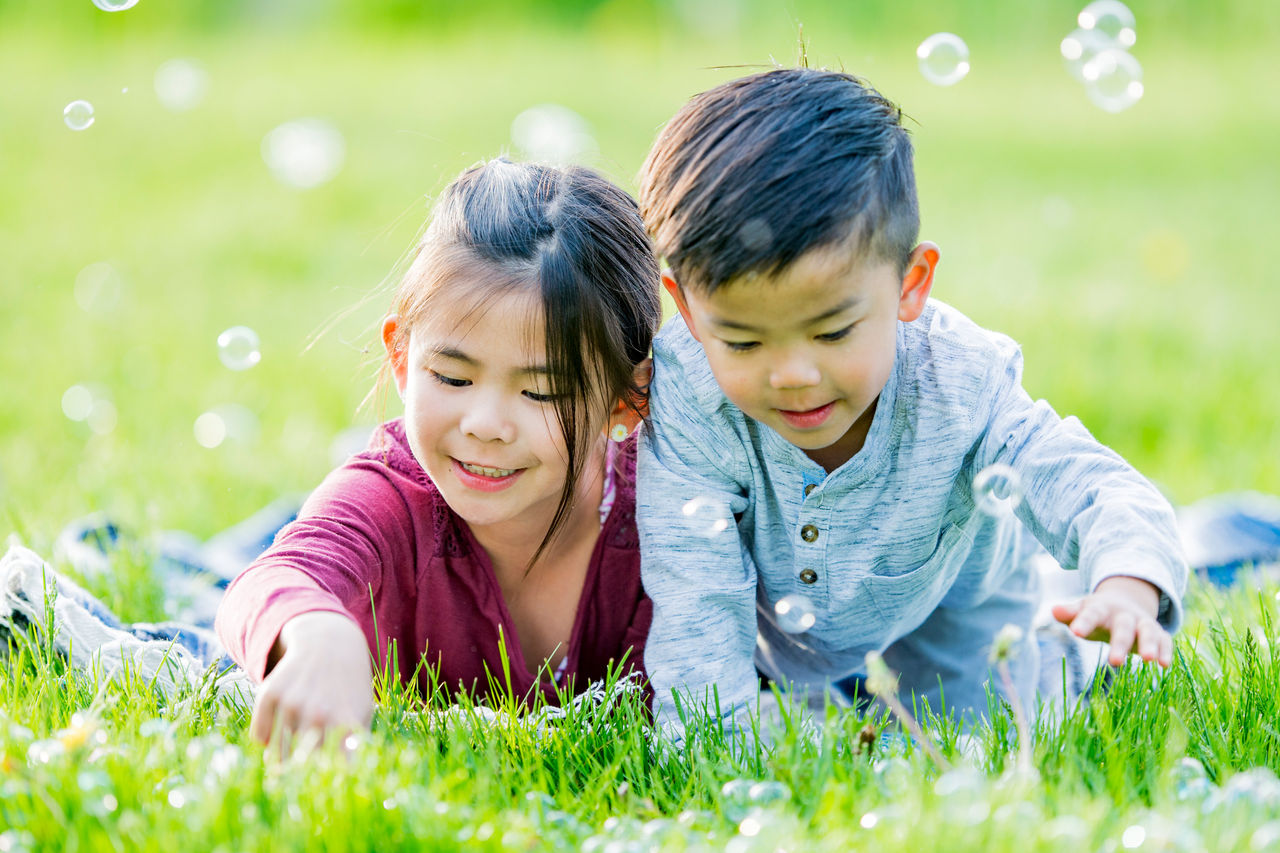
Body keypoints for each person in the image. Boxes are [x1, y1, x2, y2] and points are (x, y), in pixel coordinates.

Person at [634, 67, 1188, 732]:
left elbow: (1092, 485)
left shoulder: (960, 384)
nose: (793, 375)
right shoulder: (689, 397)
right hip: (780, 638)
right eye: (745, 342)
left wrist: (1128, 584)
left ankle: (1157, 577)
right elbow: (696, 598)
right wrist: (708, 749)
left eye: (833, 330)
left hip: (958, 610)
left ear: (909, 283)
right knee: (794, 727)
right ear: (689, 310)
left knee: (969, 732)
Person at [215, 158, 661, 746]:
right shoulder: (391, 497)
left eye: (542, 391)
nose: (485, 425)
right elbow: (278, 575)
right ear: (402, 360)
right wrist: (317, 630)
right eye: (452, 378)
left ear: (627, 400)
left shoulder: (667, 515)